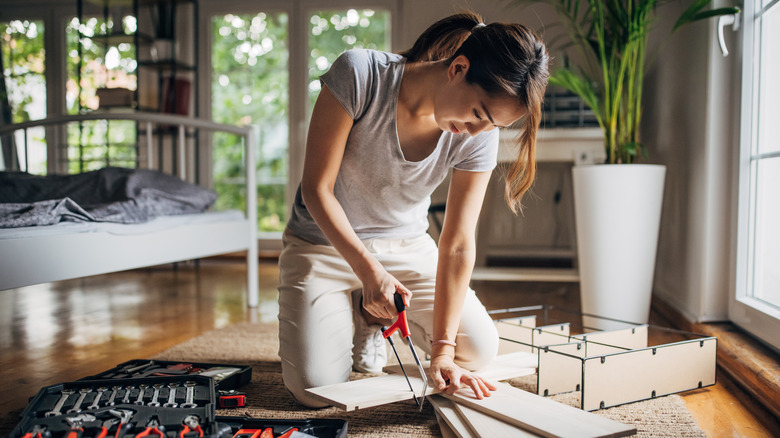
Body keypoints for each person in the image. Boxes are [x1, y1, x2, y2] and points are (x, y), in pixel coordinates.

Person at [277, 11, 549, 407]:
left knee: (476, 351)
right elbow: (317, 189)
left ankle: (371, 318)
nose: (476, 133)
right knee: (316, 390)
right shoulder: (360, 74)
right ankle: (362, 303)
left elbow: (457, 243)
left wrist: (441, 351)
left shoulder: (477, 135)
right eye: (477, 114)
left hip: (406, 247)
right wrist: (370, 272)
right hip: (322, 245)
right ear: (458, 68)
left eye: (491, 126)